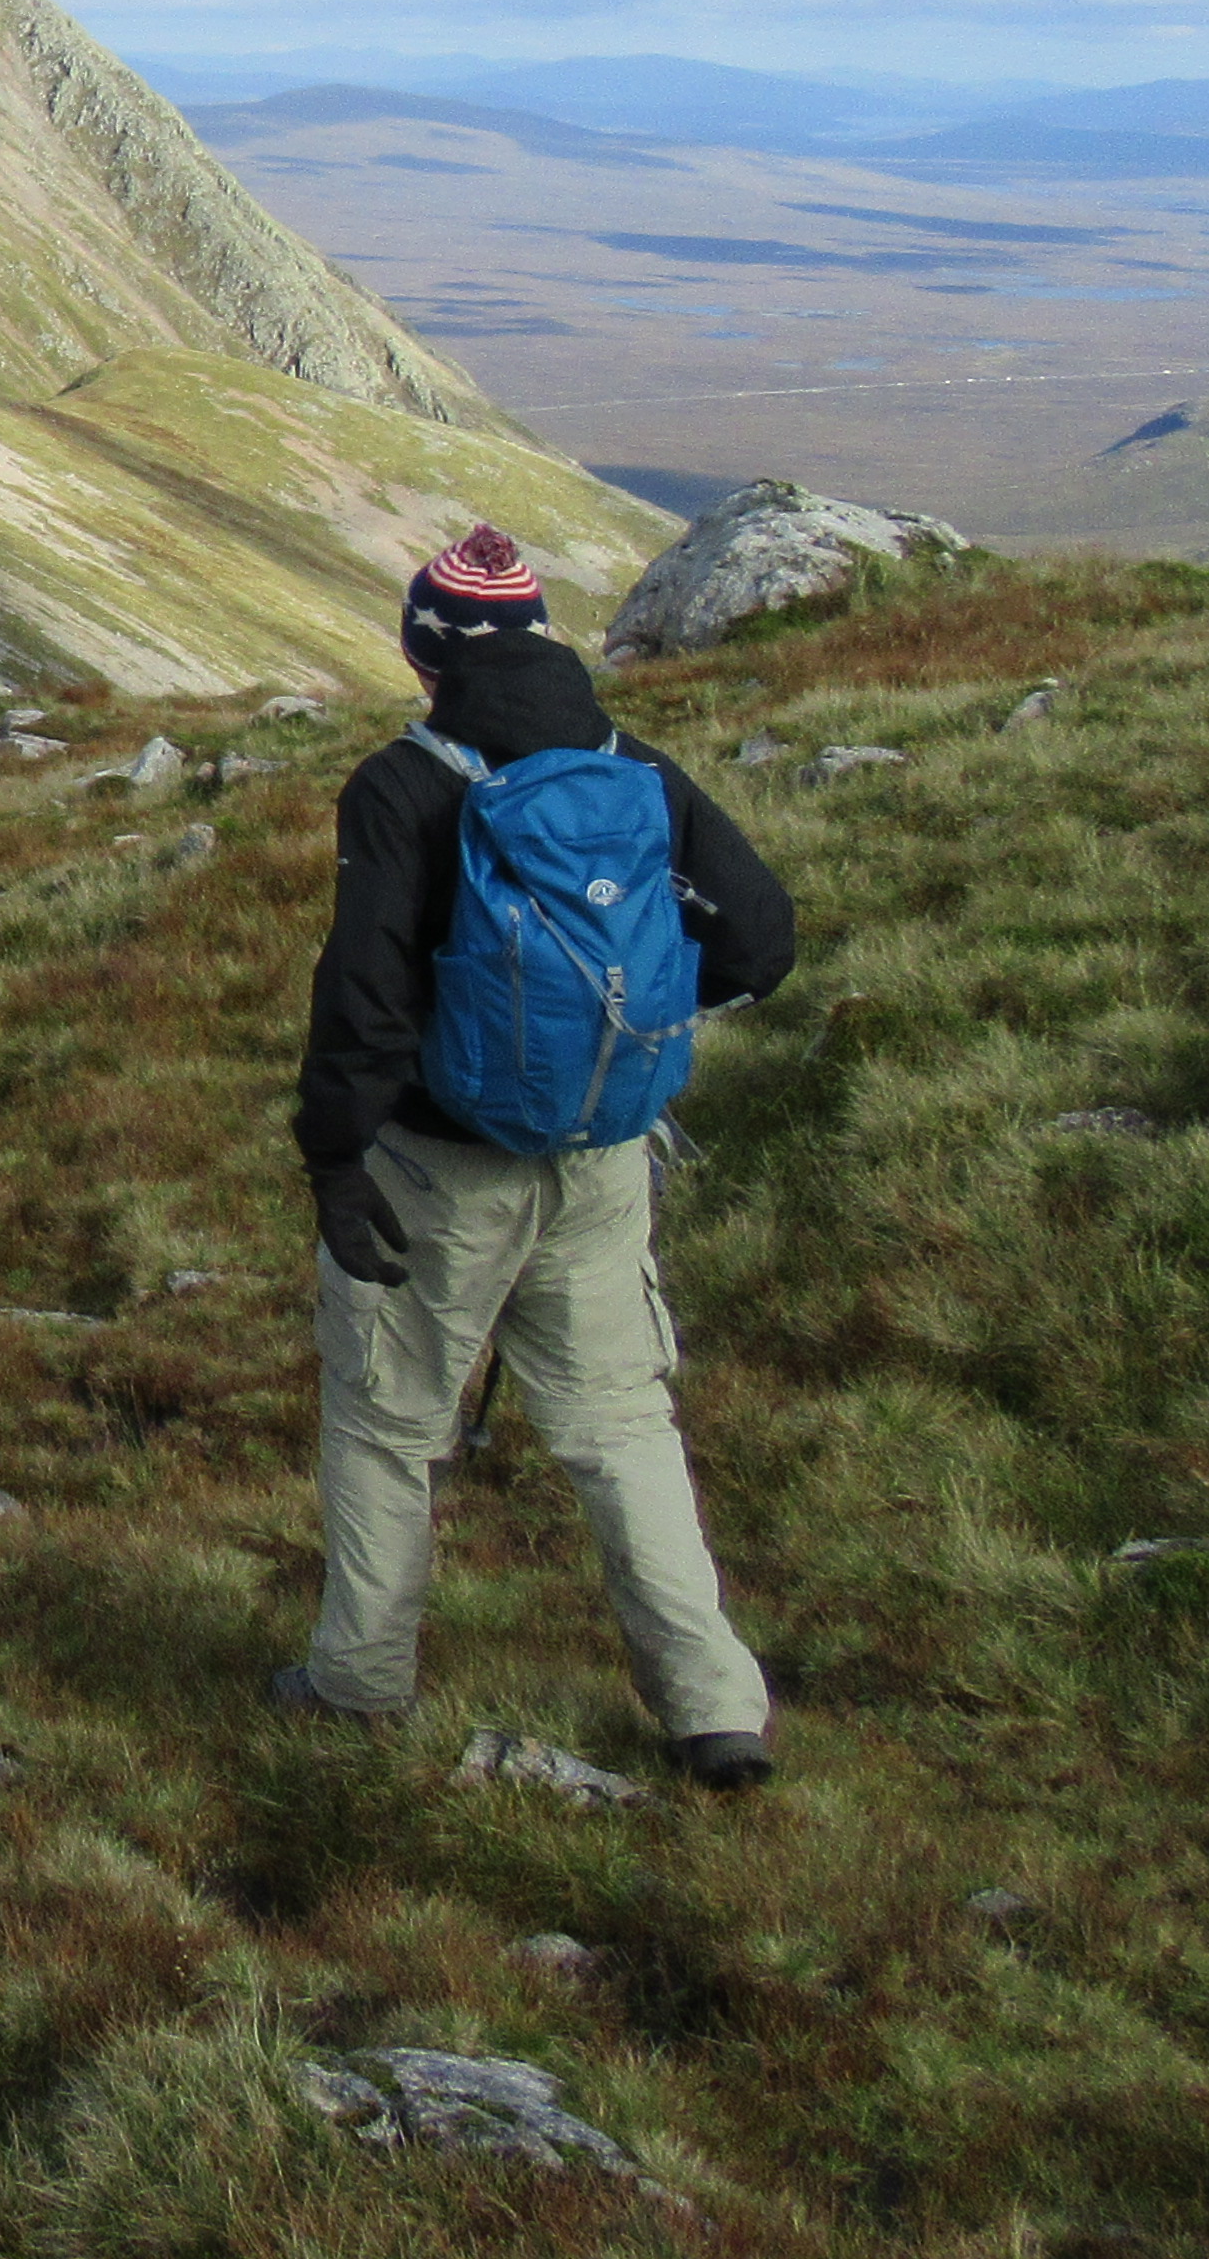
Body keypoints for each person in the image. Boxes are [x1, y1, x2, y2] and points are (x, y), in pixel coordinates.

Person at [282, 526, 798, 1786]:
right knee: (622, 1425)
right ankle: (713, 1709)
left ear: (426, 652)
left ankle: (356, 1684)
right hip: (604, 1161)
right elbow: (764, 941)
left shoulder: (403, 784)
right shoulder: (637, 768)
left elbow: (364, 999)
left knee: (394, 1422)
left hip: (436, 1171)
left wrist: (337, 1163)